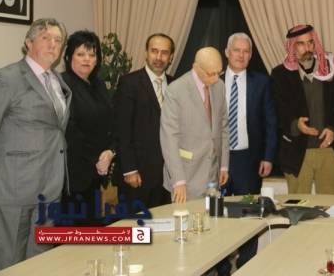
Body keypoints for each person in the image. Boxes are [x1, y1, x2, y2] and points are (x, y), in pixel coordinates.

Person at [0, 18, 71, 271]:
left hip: (49, 189)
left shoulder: (58, 81)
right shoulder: (7, 78)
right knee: (9, 264)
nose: (53, 45)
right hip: (14, 189)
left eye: (58, 40)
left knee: (41, 263)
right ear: (29, 43)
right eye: (46, 38)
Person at [217, 33, 278, 275]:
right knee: (217, 216)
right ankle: (221, 268)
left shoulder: (261, 82)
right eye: (237, 50)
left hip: (248, 161)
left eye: (246, 51)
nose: (241, 55)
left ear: (251, 55)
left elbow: (271, 122)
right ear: (227, 52)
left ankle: (246, 267)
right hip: (217, 161)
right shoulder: (213, 80)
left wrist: (268, 156)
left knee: (250, 217)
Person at [271, 24, 334, 194]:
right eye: (301, 43)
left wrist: (333, 129)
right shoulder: (280, 74)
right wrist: (296, 125)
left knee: (330, 205)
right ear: (292, 46)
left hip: (329, 149)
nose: (307, 48)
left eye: (310, 42)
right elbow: (279, 111)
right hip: (297, 152)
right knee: (298, 205)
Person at [114, 33, 175, 209]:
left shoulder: (175, 85)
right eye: (154, 51)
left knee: (163, 222)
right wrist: (130, 169)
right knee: (135, 224)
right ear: (146, 53)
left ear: (171, 57)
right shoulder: (129, 83)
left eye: (164, 53)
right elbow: (122, 129)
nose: (159, 57)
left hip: (167, 176)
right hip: (137, 175)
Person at [160, 47, 229, 203]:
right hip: (186, 176)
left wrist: (223, 165)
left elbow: (223, 126)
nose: (216, 78)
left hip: (213, 174)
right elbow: (169, 138)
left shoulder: (219, 86)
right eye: (211, 74)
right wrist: (178, 180)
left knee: (212, 217)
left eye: (219, 72)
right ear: (196, 67)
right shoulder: (175, 90)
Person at [61, 30, 114, 225]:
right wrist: (97, 158)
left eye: (92, 55)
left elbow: (111, 123)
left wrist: (110, 152)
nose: (87, 59)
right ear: (69, 57)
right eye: (80, 54)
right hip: (72, 175)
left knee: (91, 230)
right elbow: (70, 129)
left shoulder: (99, 85)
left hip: (96, 173)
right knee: (73, 235)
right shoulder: (62, 84)